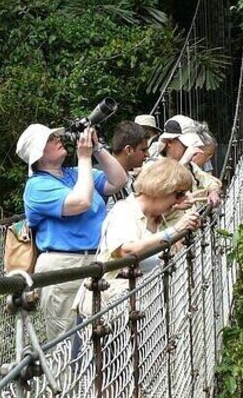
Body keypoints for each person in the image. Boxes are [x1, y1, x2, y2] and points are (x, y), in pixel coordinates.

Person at [16, 123, 127, 341]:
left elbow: (119, 181)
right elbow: (81, 202)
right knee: (67, 343)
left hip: (96, 261)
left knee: (99, 337)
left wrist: (97, 149)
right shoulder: (36, 187)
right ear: (38, 155)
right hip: (63, 267)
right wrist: (84, 158)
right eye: (49, 139)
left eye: (55, 136)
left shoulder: (75, 174)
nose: (58, 139)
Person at [73, 158, 200, 316]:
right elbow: (126, 251)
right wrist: (176, 229)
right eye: (179, 194)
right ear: (163, 189)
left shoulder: (157, 217)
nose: (181, 200)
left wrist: (179, 221)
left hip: (140, 309)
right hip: (109, 313)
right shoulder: (124, 212)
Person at [152, 115, 222, 207]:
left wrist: (213, 192)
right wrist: (182, 163)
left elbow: (211, 182)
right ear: (169, 142)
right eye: (186, 145)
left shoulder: (191, 166)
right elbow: (161, 191)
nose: (190, 150)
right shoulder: (153, 166)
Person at [107, 121, 151, 210]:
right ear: (128, 150)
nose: (148, 154)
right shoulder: (102, 180)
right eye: (143, 150)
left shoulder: (132, 180)